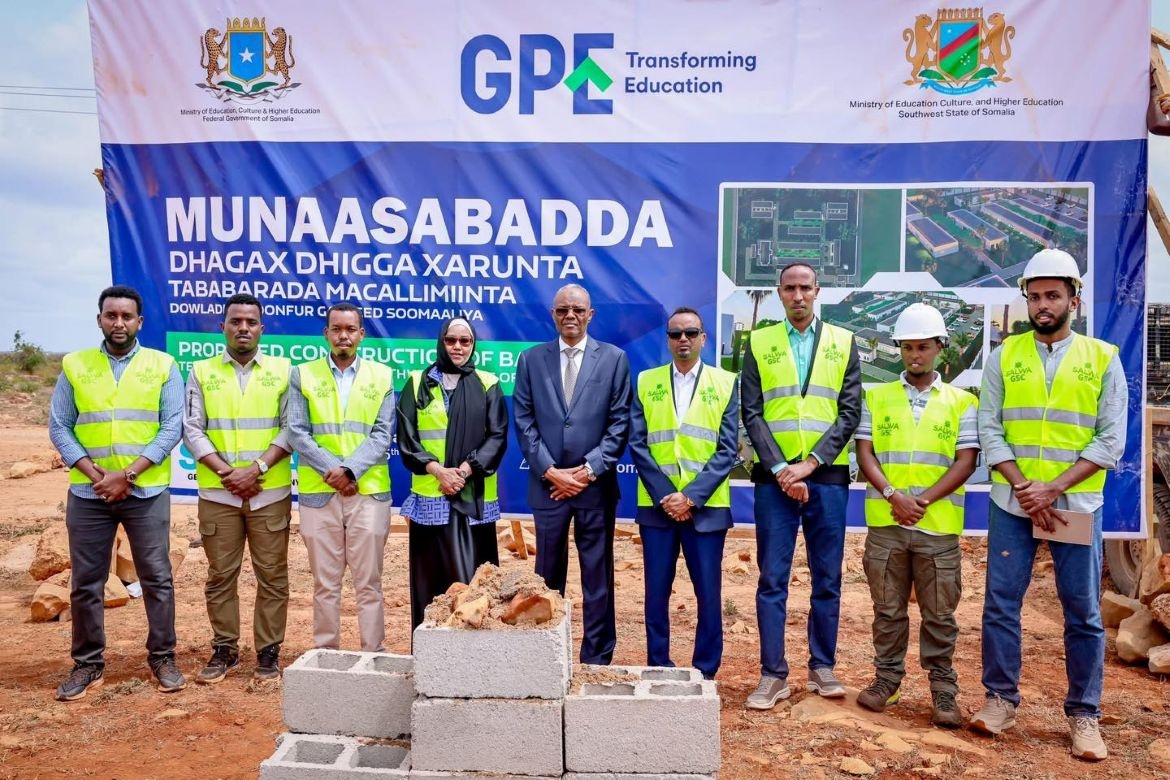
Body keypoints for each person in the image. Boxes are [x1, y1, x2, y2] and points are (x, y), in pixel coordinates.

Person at [970, 249, 1126, 761]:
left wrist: (1052, 489)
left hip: (1074, 503)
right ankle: (1000, 699)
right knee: (1000, 604)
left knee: (1082, 611)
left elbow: (1109, 442)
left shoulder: (1103, 358)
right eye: (1034, 296)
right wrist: (1024, 488)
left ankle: (1085, 716)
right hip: (1013, 502)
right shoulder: (1004, 356)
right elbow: (989, 429)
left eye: (1052, 295)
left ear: (1073, 300)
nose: (1042, 304)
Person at [48, 285, 186, 700]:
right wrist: (96, 475)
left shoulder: (162, 365)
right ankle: (87, 665)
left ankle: (162, 657)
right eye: (111, 316)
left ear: (139, 322)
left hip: (145, 492)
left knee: (157, 579)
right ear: (100, 320)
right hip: (89, 495)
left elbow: (171, 426)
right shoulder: (75, 365)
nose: (119, 323)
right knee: (86, 582)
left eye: (127, 316)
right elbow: (60, 426)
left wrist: (127, 474)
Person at [740, 262, 861, 709]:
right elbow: (751, 412)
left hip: (825, 479)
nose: (797, 295)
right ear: (778, 292)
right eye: (789, 288)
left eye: (805, 288)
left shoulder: (844, 342)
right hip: (774, 482)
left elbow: (849, 413)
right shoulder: (759, 341)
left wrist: (809, 464)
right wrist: (780, 469)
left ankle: (822, 666)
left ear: (818, 291)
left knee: (827, 578)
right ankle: (773, 674)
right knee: (772, 579)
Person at [854, 303, 978, 727]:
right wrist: (892, 495)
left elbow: (966, 461)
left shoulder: (962, 402)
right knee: (887, 611)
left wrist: (920, 500)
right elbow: (865, 452)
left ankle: (944, 692)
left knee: (940, 614)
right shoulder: (878, 396)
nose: (915, 355)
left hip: (937, 527)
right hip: (887, 525)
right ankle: (886, 682)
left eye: (923, 347)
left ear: (940, 347)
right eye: (907, 347)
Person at [513, 283, 632, 664]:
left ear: (590, 314)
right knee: (546, 576)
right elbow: (524, 420)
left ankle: (597, 657)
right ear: (553, 314)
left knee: (597, 579)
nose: (570, 316)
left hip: (594, 488)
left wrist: (586, 472)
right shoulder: (531, 360)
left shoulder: (614, 359)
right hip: (548, 488)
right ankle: (545, 655)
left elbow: (619, 423)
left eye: (578, 310)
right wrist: (551, 471)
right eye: (563, 309)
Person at [183, 293, 292, 683]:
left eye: (250, 322)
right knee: (220, 576)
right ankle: (224, 649)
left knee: (273, 576)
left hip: (270, 493)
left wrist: (257, 468)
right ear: (223, 326)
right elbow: (191, 429)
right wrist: (229, 472)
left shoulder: (284, 371)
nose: (242, 327)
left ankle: (268, 652)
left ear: (262, 328)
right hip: (218, 494)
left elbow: (290, 427)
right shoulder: (201, 371)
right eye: (235, 321)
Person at [629, 307, 739, 680]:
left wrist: (690, 496)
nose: (683, 340)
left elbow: (727, 450)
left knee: (708, 595)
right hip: (658, 509)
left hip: (705, 510)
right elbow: (638, 444)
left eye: (691, 333)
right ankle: (658, 664)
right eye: (676, 334)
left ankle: (705, 670)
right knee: (655, 594)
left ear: (704, 338)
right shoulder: (646, 381)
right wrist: (666, 495)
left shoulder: (726, 383)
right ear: (668, 339)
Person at [288, 303, 395, 652]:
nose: (343, 335)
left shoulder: (382, 375)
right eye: (336, 329)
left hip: (369, 494)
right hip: (320, 494)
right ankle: (325, 656)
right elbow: (297, 431)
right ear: (326, 334)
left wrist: (349, 471)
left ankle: (373, 655)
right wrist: (333, 472)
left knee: (369, 583)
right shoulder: (303, 374)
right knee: (325, 584)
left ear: (361, 334)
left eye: (350, 329)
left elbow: (382, 433)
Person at [396, 318, 509, 631]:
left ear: (473, 345)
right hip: (431, 498)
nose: (458, 347)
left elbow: (497, 436)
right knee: (431, 585)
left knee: (475, 585)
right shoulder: (417, 382)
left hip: (473, 497)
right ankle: (431, 654)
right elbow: (407, 438)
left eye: (465, 341)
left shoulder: (488, 382)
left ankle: (476, 664)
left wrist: (465, 470)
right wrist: (437, 470)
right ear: (441, 342)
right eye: (451, 340)